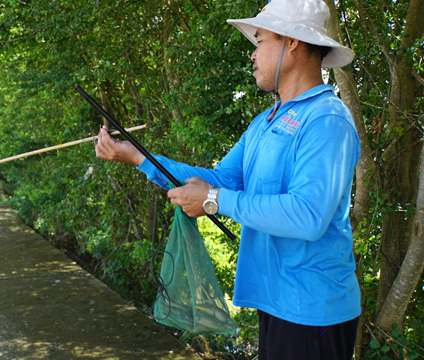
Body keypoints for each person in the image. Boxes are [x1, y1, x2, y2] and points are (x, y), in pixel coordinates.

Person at [95, 0, 361, 359]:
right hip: (274, 302)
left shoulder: (326, 119)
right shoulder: (264, 122)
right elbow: (221, 179)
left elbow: (308, 215)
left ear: (291, 42)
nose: (253, 54)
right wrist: (139, 157)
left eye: (260, 40)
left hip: (312, 311)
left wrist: (215, 200)